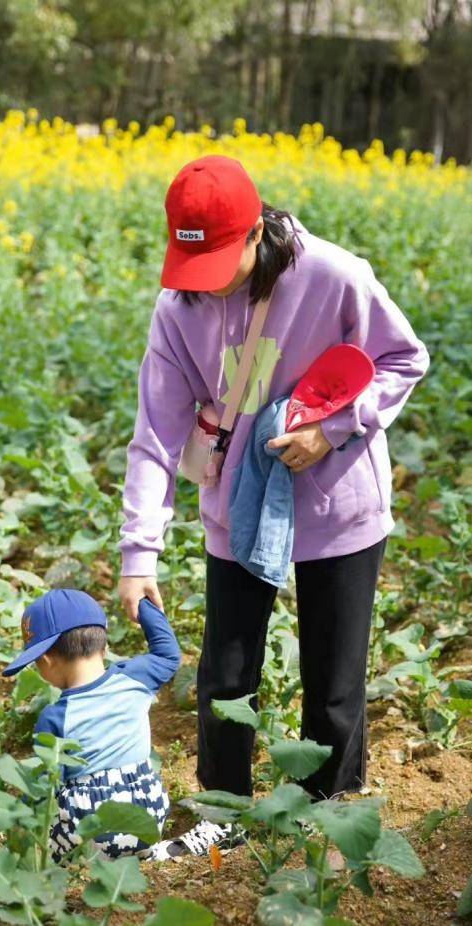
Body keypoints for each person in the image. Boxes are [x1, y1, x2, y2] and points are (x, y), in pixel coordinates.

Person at [117, 155, 430, 853]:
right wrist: (138, 553)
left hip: (338, 501)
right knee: (225, 672)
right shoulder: (179, 306)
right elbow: (154, 437)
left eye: (223, 260)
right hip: (238, 499)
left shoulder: (335, 276)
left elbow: (404, 358)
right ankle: (222, 812)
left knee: (334, 677)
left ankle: (330, 815)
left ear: (258, 231)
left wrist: (333, 428)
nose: (210, 283)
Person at [1, 587, 181, 860]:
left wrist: (16, 824)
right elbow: (169, 654)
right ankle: (143, 853)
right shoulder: (136, 678)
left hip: (90, 834)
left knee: (40, 836)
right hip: (148, 818)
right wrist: (142, 603)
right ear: (104, 645)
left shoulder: (55, 717)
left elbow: (44, 788)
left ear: (46, 661)